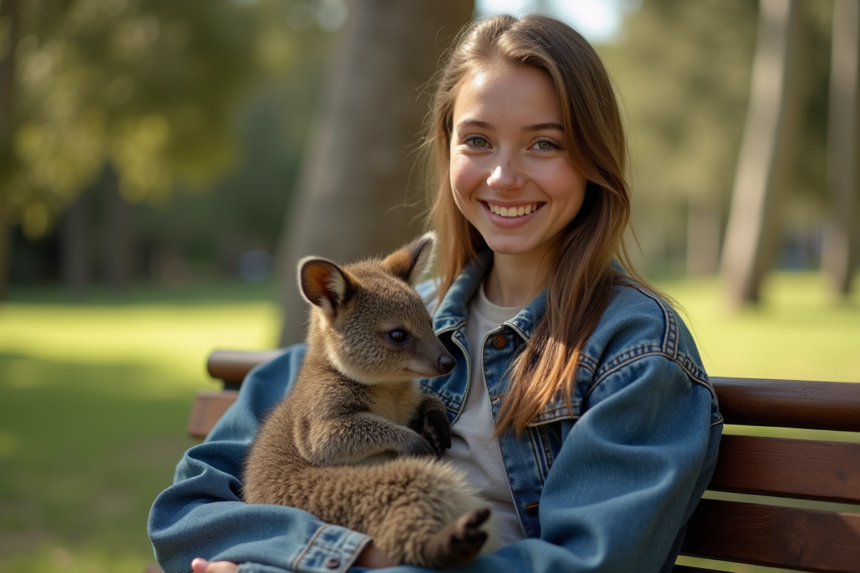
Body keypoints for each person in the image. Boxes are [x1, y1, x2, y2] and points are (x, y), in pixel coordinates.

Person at [148, 14, 722, 573]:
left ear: (593, 157)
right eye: (477, 140)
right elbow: (186, 516)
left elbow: (591, 561)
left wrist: (360, 559)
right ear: (446, 149)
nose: (503, 176)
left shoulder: (633, 351)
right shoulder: (379, 323)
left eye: (544, 144)